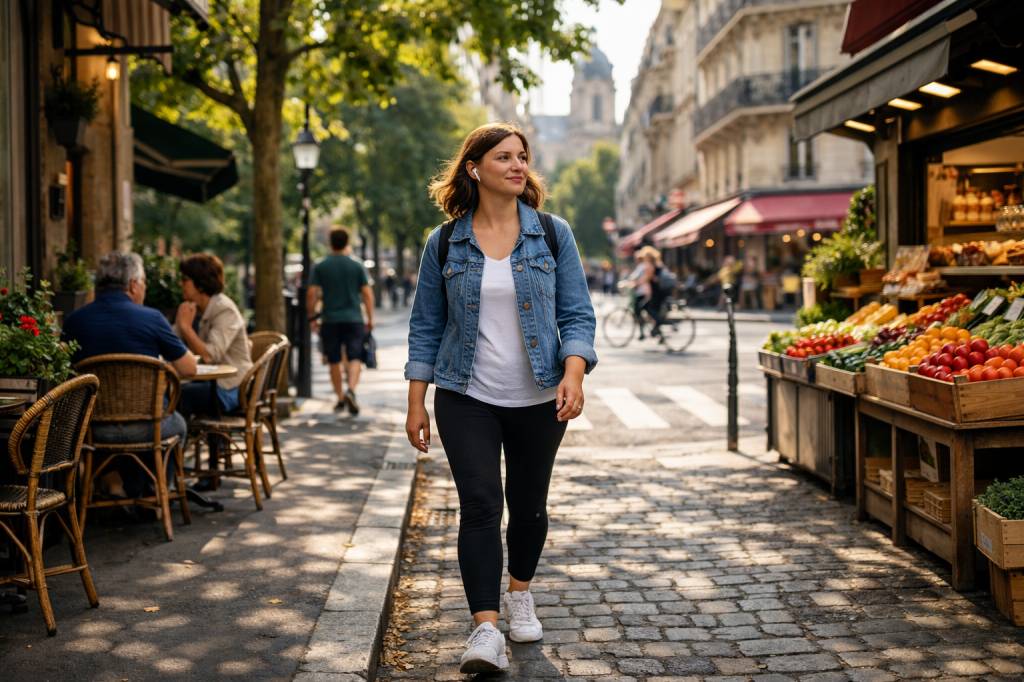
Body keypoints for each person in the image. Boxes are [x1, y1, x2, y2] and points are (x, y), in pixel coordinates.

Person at [405, 122, 597, 674]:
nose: (519, 166)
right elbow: (425, 326)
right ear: (474, 168)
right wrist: (417, 402)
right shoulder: (444, 242)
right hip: (466, 394)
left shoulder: (552, 234)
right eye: (505, 157)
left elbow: (577, 314)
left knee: (529, 504)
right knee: (481, 504)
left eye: (523, 157)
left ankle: (520, 593)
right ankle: (485, 628)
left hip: (539, 395)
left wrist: (575, 373)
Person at [63, 251, 197, 498]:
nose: (144, 288)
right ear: (133, 285)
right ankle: (158, 490)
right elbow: (189, 369)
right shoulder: (152, 318)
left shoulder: (74, 321)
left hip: (93, 430)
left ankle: (112, 482)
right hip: (148, 427)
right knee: (178, 424)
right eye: (144, 282)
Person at [175, 254, 252, 422]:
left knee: (175, 396)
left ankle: (175, 443)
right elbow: (171, 343)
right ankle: (179, 442)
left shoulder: (224, 309)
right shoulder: (193, 309)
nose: (180, 284)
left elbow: (211, 355)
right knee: (171, 392)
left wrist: (186, 328)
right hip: (210, 384)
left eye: (185, 279)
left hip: (231, 388)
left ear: (200, 284)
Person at [307, 227, 375, 415]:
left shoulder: (321, 266)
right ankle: (351, 390)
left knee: (334, 360)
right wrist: (370, 318)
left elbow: (311, 293)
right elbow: (367, 294)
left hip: (330, 320)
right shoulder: (357, 265)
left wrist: (312, 317)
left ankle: (339, 398)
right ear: (347, 242)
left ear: (331, 243)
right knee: (355, 357)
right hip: (354, 319)